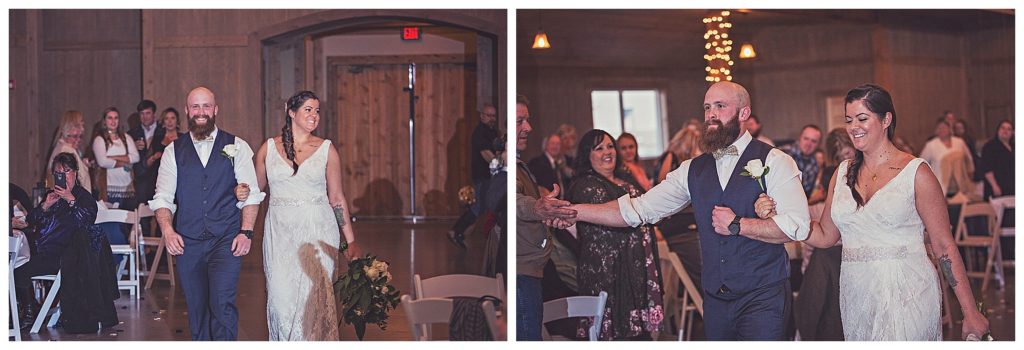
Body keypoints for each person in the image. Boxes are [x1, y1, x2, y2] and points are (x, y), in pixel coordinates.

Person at [554, 81, 810, 340]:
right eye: (707, 107)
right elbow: (636, 210)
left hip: (762, 297)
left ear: (744, 113)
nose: (711, 114)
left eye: (720, 106)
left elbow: (797, 226)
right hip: (715, 301)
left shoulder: (775, 161)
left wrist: (738, 225)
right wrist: (572, 211)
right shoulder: (693, 169)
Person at [756, 84, 989, 340]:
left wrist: (970, 312)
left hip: (908, 290)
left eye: (862, 118)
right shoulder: (842, 173)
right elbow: (824, 235)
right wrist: (781, 215)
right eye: (849, 119)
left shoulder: (916, 173)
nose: (853, 126)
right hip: (856, 291)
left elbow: (944, 245)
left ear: (886, 119)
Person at [232, 90, 359, 340]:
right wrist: (241, 191)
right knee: (280, 298)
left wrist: (349, 241)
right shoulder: (268, 149)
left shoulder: (326, 149)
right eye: (308, 110)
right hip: (280, 233)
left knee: (315, 299)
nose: (314, 116)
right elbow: (255, 191)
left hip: (318, 229)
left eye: (317, 110)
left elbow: (337, 198)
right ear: (292, 112)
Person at [149, 86, 264, 340]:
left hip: (226, 239)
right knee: (197, 309)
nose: (201, 112)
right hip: (188, 242)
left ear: (216, 109)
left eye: (206, 106)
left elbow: (251, 193)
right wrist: (168, 231)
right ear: (187, 111)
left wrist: (246, 232)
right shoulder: (173, 151)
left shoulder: (237, 146)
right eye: (196, 107)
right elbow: (163, 197)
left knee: (222, 303)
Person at [564, 129, 663, 340]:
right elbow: (616, 217)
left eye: (610, 146)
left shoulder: (625, 179)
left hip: (636, 266)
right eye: (598, 148)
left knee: (641, 336)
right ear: (586, 155)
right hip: (608, 272)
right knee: (616, 335)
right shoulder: (586, 186)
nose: (607, 152)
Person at [15, 153, 119, 333]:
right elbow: (31, 221)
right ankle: (32, 309)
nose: (63, 176)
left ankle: (32, 314)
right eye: (58, 173)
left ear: (75, 173)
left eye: (67, 171)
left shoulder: (83, 197)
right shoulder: (51, 196)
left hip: (69, 258)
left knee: (21, 271)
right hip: (44, 251)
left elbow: (87, 221)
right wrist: (44, 207)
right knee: (16, 272)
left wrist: (71, 199)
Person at [515, 94, 578, 341]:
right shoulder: (512, 165)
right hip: (522, 266)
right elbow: (518, 201)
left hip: (531, 264)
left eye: (527, 120)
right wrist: (540, 208)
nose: (528, 127)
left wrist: (549, 211)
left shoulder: (520, 164)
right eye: (520, 120)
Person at [447, 104, 499, 248]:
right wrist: (500, 165)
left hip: (488, 175)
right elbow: (486, 154)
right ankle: (457, 231)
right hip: (483, 175)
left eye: (494, 115)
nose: (492, 119)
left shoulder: (492, 131)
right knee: (478, 206)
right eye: (489, 115)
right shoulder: (480, 132)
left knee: (480, 206)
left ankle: (458, 231)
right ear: (482, 116)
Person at [91, 107, 140, 209]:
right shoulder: (100, 139)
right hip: (109, 189)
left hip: (127, 190)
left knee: (126, 221)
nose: (113, 121)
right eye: (110, 118)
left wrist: (113, 157)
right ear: (104, 121)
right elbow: (103, 162)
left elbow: (135, 157)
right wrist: (124, 162)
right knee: (112, 222)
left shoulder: (126, 137)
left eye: (116, 118)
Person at [920, 118, 975, 196]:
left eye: (944, 127)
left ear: (950, 129)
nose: (942, 130)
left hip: (960, 185)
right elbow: (922, 163)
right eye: (939, 128)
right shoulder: (931, 145)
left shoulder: (959, 142)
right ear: (936, 131)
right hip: (940, 185)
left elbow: (969, 159)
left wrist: (970, 173)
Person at [129, 99, 167, 207]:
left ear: (154, 114)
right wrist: (133, 146)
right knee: (142, 217)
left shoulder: (164, 130)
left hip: (160, 178)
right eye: (142, 114)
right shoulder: (132, 133)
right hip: (141, 181)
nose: (145, 117)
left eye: (148, 113)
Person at [46, 111, 92, 194]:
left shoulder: (62, 147)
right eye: (75, 136)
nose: (78, 140)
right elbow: (79, 177)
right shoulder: (67, 150)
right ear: (67, 132)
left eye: (80, 137)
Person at [780, 124, 823, 200]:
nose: (808, 144)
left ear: (819, 144)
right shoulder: (783, 153)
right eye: (806, 139)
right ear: (800, 138)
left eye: (813, 141)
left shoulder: (816, 163)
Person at [980, 120, 1014, 200]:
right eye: (1003, 128)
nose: (1005, 131)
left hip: (1012, 188)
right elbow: (987, 168)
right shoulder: (990, 146)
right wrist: (994, 185)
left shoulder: (1014, 147)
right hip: (997, 188)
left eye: (1009, 129)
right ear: (998, 130)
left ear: (1012, 133)